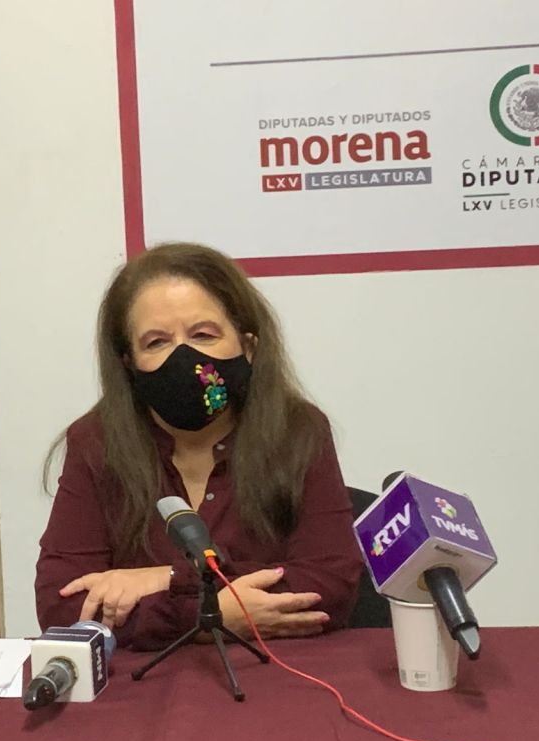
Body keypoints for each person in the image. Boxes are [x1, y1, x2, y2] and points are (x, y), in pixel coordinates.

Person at [34, 242, 361, 651]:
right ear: (128, 363)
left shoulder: (298, 431)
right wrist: (210, 617)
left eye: (203, 335)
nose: (183, 356)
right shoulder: (95, 443)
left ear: (248, 345)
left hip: (273, 671)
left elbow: (331, 583)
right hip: (146, 683)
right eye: (156, 342)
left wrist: (166, 578)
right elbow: (62, 606)